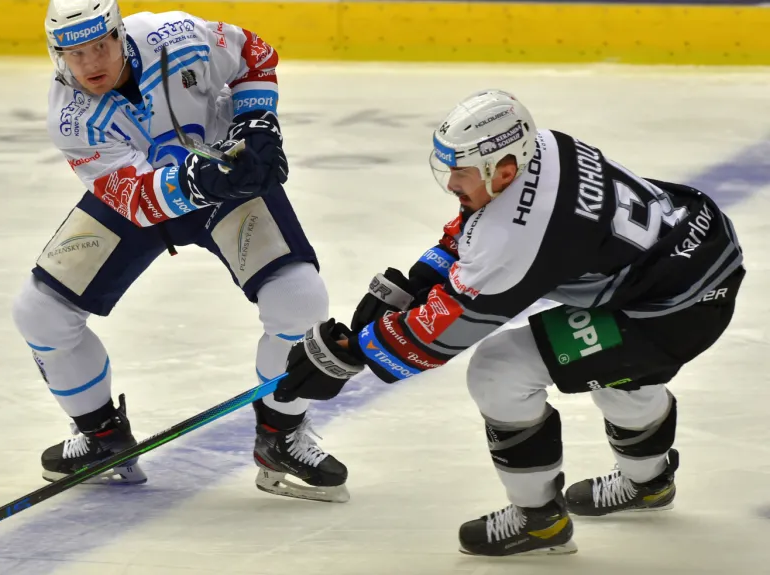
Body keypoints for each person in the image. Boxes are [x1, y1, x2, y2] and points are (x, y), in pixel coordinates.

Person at [274, 89, 745, 553]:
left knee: (501, 369)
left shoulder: (518, 236)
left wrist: (352, 354)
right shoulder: (542, 146)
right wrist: (419, 282)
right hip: (693, 252)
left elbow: (441, 335)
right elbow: (474, 226)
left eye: (458, 173)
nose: (451, 184)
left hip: (673, 306)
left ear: (502, 170)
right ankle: (651, 484)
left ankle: (538, 521)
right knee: (621, 376)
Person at [10, 0, 349, 503]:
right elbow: (137, 201)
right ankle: (103, 438)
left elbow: (254, 56)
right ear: (57, 55)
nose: (91, 64)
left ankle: (281, 434)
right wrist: (199, 178)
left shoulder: (177, 35)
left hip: (229, 186)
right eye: (75, 54)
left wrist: (256, 125)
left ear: (120, 35)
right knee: (40, 313)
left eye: (100, 46)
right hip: (154, 198)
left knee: (300, 300)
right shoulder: (71, 118)